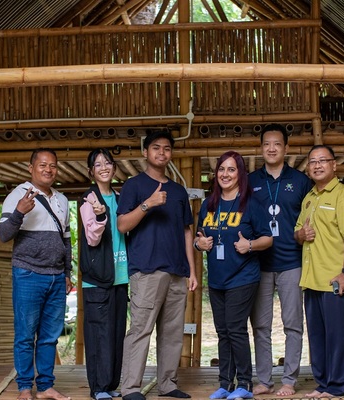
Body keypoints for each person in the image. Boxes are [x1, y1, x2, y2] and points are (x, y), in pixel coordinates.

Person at [116, 130, 198, 400]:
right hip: (146, 270)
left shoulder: (177, 191)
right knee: (140, 330)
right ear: (145, 152)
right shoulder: (134, 185)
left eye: (166, 149)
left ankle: (168, 384)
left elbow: (187, 231)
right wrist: (147, 204)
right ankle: (130, 387)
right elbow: (122, 224)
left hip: (177, 270)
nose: (161, 153)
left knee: (172, 333)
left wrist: (192, 270)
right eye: (155, 148)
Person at [195, 151, 273, 400]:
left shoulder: (251, 204)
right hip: (217, 278)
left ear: (240, 174)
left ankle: (245, 384)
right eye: (221, 169)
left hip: (243, 276)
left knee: (236, 328)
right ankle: (225, 383)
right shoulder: (208, 205)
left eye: (231, 169)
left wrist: (249, 246)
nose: (225, 174)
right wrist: (200, 245)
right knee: (222, 331)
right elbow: (199, 237)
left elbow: (268, 239)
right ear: (215, 173)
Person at [0, 148, 72, 400]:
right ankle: (24, 387)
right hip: (28, 273)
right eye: (42, 165)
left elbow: (67, 239)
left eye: (53, 165)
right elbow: (4, 234)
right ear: (31, 168)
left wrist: (68, 272)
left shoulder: (62, 200)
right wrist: (19, 212)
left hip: (57, 276)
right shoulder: (17, 195)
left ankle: (46, 386)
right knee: (26, 335)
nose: (48, 169)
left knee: (50, 336)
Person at [248, 124, 313, 397]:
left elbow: (312, 218)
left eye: (277, 144)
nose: (271, 148)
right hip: (258, 264)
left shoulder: (300, 181)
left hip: (291, 262)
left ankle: (289, 380)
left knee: (293, 324)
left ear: (286, 148)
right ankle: (264, 379)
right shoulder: (250, 181)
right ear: (261, 148)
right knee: (260, 325)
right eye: (266, 144)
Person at [293, 145, 344, 398]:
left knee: (339, 338)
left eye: (323, 160)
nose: (318, 165)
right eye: (313, 161)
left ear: (335, 165)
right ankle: (323, 384)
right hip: (312, 280)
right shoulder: (309, 197)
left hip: (335, 280)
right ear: (308, 168)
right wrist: (301, 234)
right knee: (318, 338)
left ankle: (337, 387)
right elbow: (298, 232)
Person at [80, 148, 128, 400]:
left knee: (116, 333)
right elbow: (92, 237)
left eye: (107, 162)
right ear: (91, 171)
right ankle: (98, 387)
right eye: (97, 164)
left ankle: (110, 384)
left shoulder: (120, 199)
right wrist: (99, 216)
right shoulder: (89, 199)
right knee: (99, 334)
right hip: (97, 279)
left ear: (114, 167)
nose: (103, 167)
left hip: (121, 277)